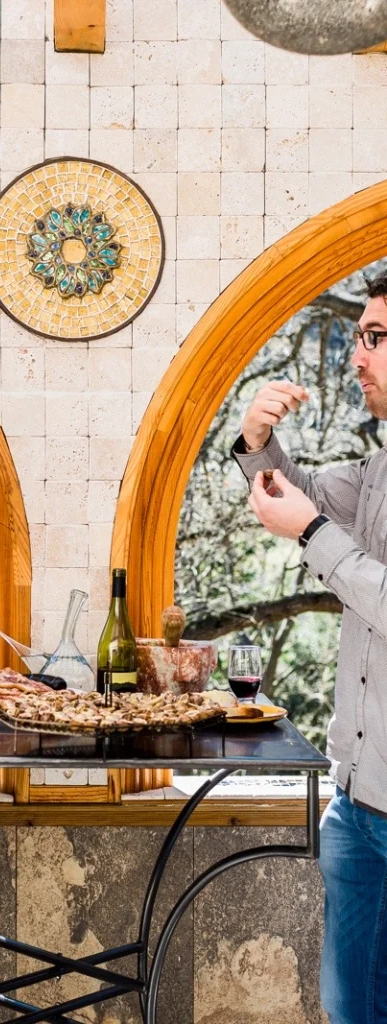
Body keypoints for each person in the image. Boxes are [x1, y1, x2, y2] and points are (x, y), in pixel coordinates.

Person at [231, 271, 387, 1024]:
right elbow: (302, 500)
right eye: (360, 336)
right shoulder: (380, 465)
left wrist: (316, 537)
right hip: (358, 806)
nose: (357, 357)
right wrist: (258, 441)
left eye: (377, 339)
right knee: (349, 1012)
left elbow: (318, 533)